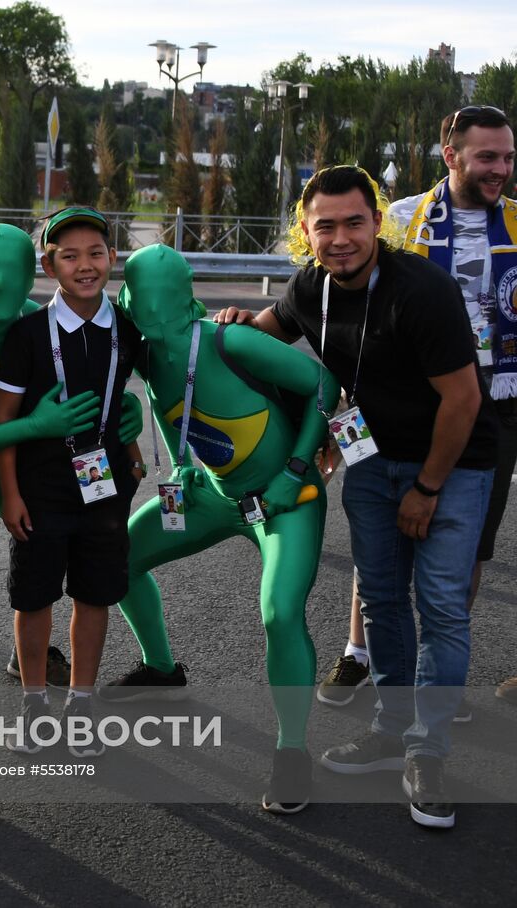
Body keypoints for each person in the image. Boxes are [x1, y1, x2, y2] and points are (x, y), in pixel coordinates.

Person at [217, 164, 497, 829]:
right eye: (325, 226)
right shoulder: (311, 287)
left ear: (377, 223)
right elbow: (264, 334)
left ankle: (427, 754)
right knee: (379, 598)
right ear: (305, 233)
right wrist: (228, 326)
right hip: (372, 458)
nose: (340, 238)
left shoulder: (420, 292)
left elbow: (463, 400)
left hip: (450, 462)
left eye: (353, 223)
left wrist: (428, 488)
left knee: (441, 604)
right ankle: (391, 729)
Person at [106, 243, 341, 813]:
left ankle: (291, 752)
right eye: (145, 301)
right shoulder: (140, 351)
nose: (157, 314)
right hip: (209, 493)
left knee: (280, 612)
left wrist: (294, 469)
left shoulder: (226, 339)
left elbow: (322, 384)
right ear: (131, 304)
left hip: (285, 499)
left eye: (168, 298)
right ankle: (161, 669)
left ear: (188, 297)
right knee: (118, 560)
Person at [302, 108, 517, 710]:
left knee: (465, 549)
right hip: (388, 403)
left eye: (507, 157)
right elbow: (351, 301)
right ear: (451, 156)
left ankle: (434, 673)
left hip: (493, 403)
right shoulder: (400, 218)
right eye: (486, 157)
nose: (500, 169)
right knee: (377, 537)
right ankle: (359, 654)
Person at [0, 220, 143, 687]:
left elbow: (128, 377)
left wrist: (130, 420)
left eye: (10, 270)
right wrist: (34, 429)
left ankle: (154, 662)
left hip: (41, 461)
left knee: (97, 578)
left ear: (32, 272)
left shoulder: (43, 322)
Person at [0, 207, 147, 760]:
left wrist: (132, 451)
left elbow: (136, 392)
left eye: (96, 253)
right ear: (48, 264)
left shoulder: (126, 330)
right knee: (34, 598)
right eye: (70, 255)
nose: (86, 265)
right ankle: (36, 704)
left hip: (105, 488)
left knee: (95, 593)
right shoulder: (29, 334)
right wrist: (10, 493)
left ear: (112, 260)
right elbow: (3, 421)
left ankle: (81, 702)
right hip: (39, 489)